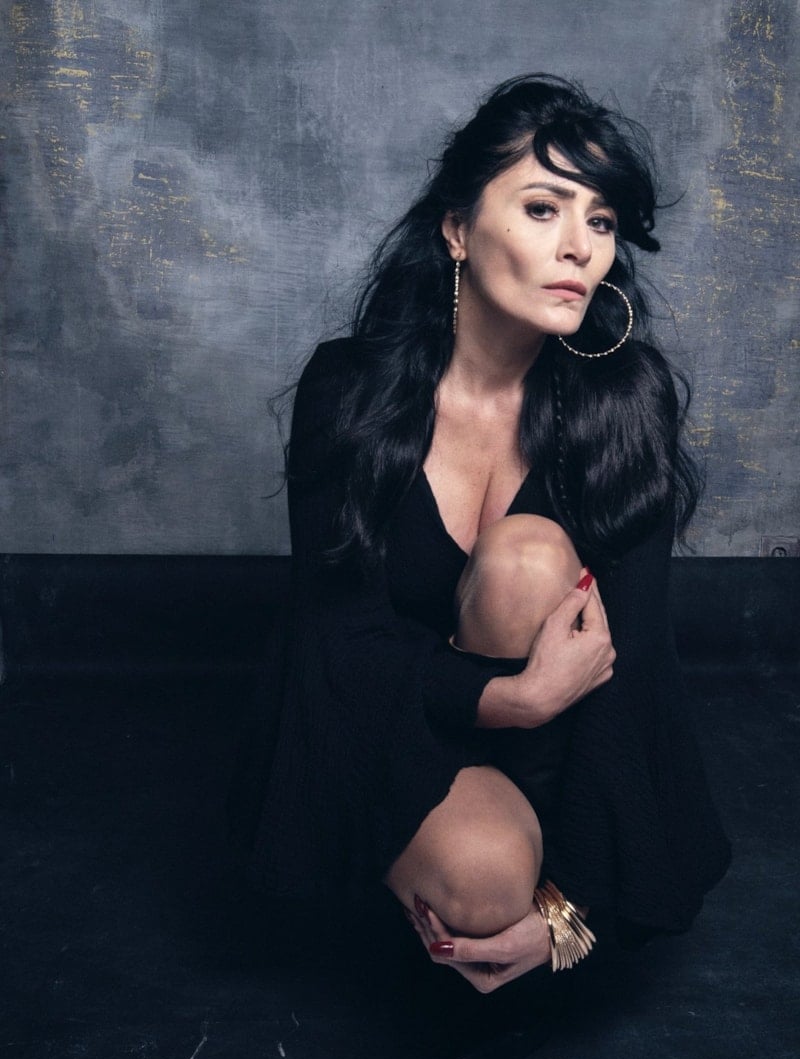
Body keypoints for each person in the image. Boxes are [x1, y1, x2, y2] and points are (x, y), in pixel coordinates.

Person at [241, 73, 730, 994]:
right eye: (543, 208)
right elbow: (335, 641)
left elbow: (632, 663)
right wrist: (509, 700)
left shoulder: (625, 400)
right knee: (484, 882)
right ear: (459, 230)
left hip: (553, 761)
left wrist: (574, 906)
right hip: (394, 726)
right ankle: (415, 868)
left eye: (601, 221)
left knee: (529, 557)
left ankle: (520, 854)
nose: (579, 246)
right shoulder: (351, 391)